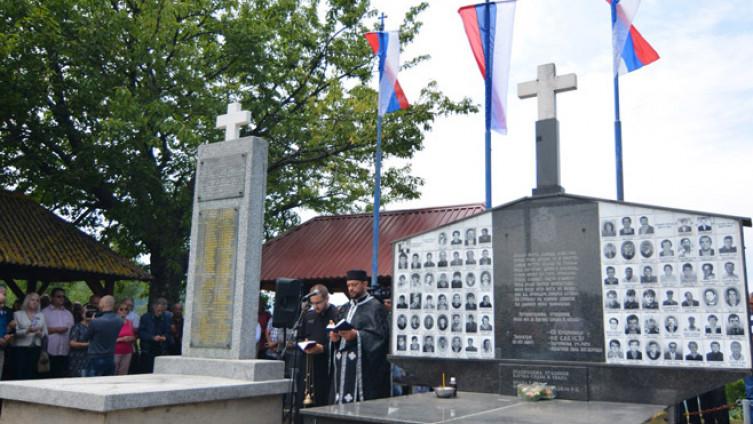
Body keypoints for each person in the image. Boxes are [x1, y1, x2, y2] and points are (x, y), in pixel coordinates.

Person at [329, 270, 389, 404]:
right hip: (343, 366)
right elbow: (339, 332)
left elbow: (381, 338)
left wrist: (357, 335)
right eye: (349, 285)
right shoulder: (345, 308)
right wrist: (335, 338)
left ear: (365, 284)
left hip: (364, 368)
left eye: (354, 285)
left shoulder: (375, 307)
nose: (351, 288)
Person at [297, 285, 338, 407]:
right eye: (313, 303)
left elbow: (339, 341)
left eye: (318, 303)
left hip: (326, 366)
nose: (316, 306)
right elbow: (299, 337)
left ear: (327, 299)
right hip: (307, 364)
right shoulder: (308, 315)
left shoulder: (336, 314)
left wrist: (323, 348)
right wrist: (303, 344)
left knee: (322, 399)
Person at [83, 296, 122, 376]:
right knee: (107, 383)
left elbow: (85, 337)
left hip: (95, 356)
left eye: (100, 303)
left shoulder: (95, 322)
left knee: (92, 384)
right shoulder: (119, 320)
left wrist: (88, 323)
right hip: (110, 356)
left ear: (103, 305)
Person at [12, 292, 48, 379]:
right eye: (32, 300)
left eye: (37, 300)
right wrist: (27, 330)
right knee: (20, 372)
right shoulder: (17, 314)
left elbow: (45, 333)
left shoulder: (41, 315)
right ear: (27, 301)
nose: (35, 302)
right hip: (21, 348)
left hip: (36, 347)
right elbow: (14, 332)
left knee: (33, 372)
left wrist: (40, 333)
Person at [41, 288, 74, 378]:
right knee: (48, 377)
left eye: (63, 296)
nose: (61, 298)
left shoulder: (68, 314)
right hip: (49, 351)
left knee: (62, 377)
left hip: (65, 351)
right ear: (52, 297)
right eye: (58, 296)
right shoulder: (44, 312)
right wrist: (56, 330)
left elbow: (72, 331)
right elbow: (39, 330)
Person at [139, 298, 172, 373]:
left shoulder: (167, 318)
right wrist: (152, 337)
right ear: (154, 307)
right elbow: (141, 333)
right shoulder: (145, 317)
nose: (160, 313)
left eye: (162, 311)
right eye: (158, 310)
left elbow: (168, 332)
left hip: (161, 350)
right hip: (148, 350)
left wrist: (165, 337)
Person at [68, 304, 96, 377]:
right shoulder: (77, 327)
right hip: (78, 360)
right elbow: (72, 343)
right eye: (85, 312)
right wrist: (87, 344)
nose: (88, 314)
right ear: (82, 314)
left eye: (90, 312)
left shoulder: (96, 326)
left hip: (92, 359)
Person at [114, 300, 136, 375]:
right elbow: (108, 338)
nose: (124, 311)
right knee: (114, 372)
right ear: (116, 310)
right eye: (121, 309)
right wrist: (121, 339)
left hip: (127, 351)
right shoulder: (113, 322)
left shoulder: (129, 322)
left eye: (126, 309)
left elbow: (133, 335)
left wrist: (131, 338)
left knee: (123, 373)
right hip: (115, 351)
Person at [0, 287, 13, 380]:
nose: (3, 296)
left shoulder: (7, 311)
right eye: (0, 293)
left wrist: (8, 334)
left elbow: (8, 329)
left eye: (4, 294)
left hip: (2, 349)